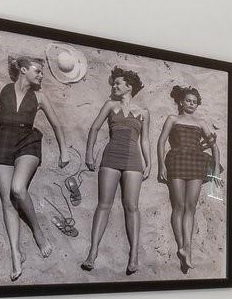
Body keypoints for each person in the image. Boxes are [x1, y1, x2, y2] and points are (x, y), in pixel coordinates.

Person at [0, 54, 67, 281]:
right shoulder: (0, 87)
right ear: (23, 69)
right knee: (7, 201)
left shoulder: (40, 97)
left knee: (17, 189)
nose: (41, 75)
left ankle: (37, 230)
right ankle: (16, 253)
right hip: (0, 141)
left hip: (28, 141)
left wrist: (64, 150)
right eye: (38, 70)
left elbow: (56, 124)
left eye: (42, 72)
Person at [80, 67, 152, 274]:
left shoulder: (144, 112)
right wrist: (89, 153)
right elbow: (94, 128)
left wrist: (149, 163)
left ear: (129, 87)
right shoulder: (110, 105)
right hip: (111, 156)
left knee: (132, 206)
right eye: (114, 83)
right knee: (104, 205)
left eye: (118, 83)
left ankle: (134, 255)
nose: (114, 86)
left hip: (134, 159)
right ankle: (93, 253)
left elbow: (145, 140)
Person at [156, 85, 221, 273]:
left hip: (196, 162)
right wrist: (161, 165)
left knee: (191, 207)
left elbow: (214, 147)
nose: (191, 104)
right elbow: (161, 141)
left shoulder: (201, 122)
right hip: (176, 160)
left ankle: (187, 248)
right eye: (188, 101)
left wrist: (215, 169)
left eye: (194, 102)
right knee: (179, 206)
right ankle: (181, 245)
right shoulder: (173, 118)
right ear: (181, 102)